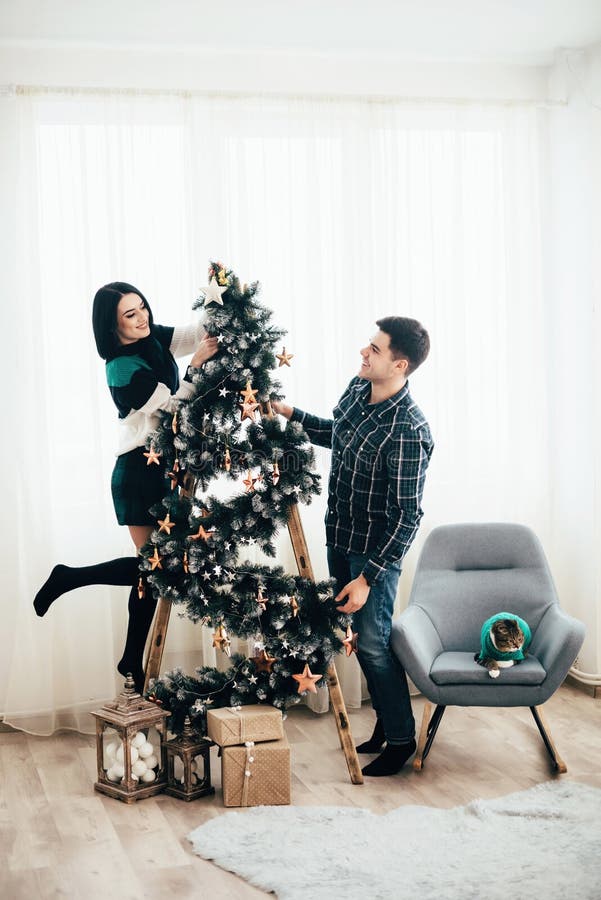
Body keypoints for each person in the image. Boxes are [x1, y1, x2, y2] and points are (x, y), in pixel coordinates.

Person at [34, 282, 218, 692]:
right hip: (139, 470)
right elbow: (174, 404)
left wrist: (220, 294)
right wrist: (196, 369)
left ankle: (130, 657)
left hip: (159, 468)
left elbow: (192, 333)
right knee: (155, 567)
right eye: (129, 315)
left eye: (142, 308)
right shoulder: (120, 365)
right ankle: (68, 578)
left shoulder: (152, 337)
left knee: (152, 572)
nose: (142, 318)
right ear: (111, 326)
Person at [272, 316, 433, 776]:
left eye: (375, 350)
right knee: (358, 640)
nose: (364, 353)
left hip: (373, 555)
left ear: (399, 364)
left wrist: (368, 578)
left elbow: (408, 517)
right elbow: (335, 434)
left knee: (377, 644)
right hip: (339, 537)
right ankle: (386, 725)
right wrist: (290, 414)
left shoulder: (408, 429)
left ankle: (401, 741)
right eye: (368, 344)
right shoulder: (357, 390)